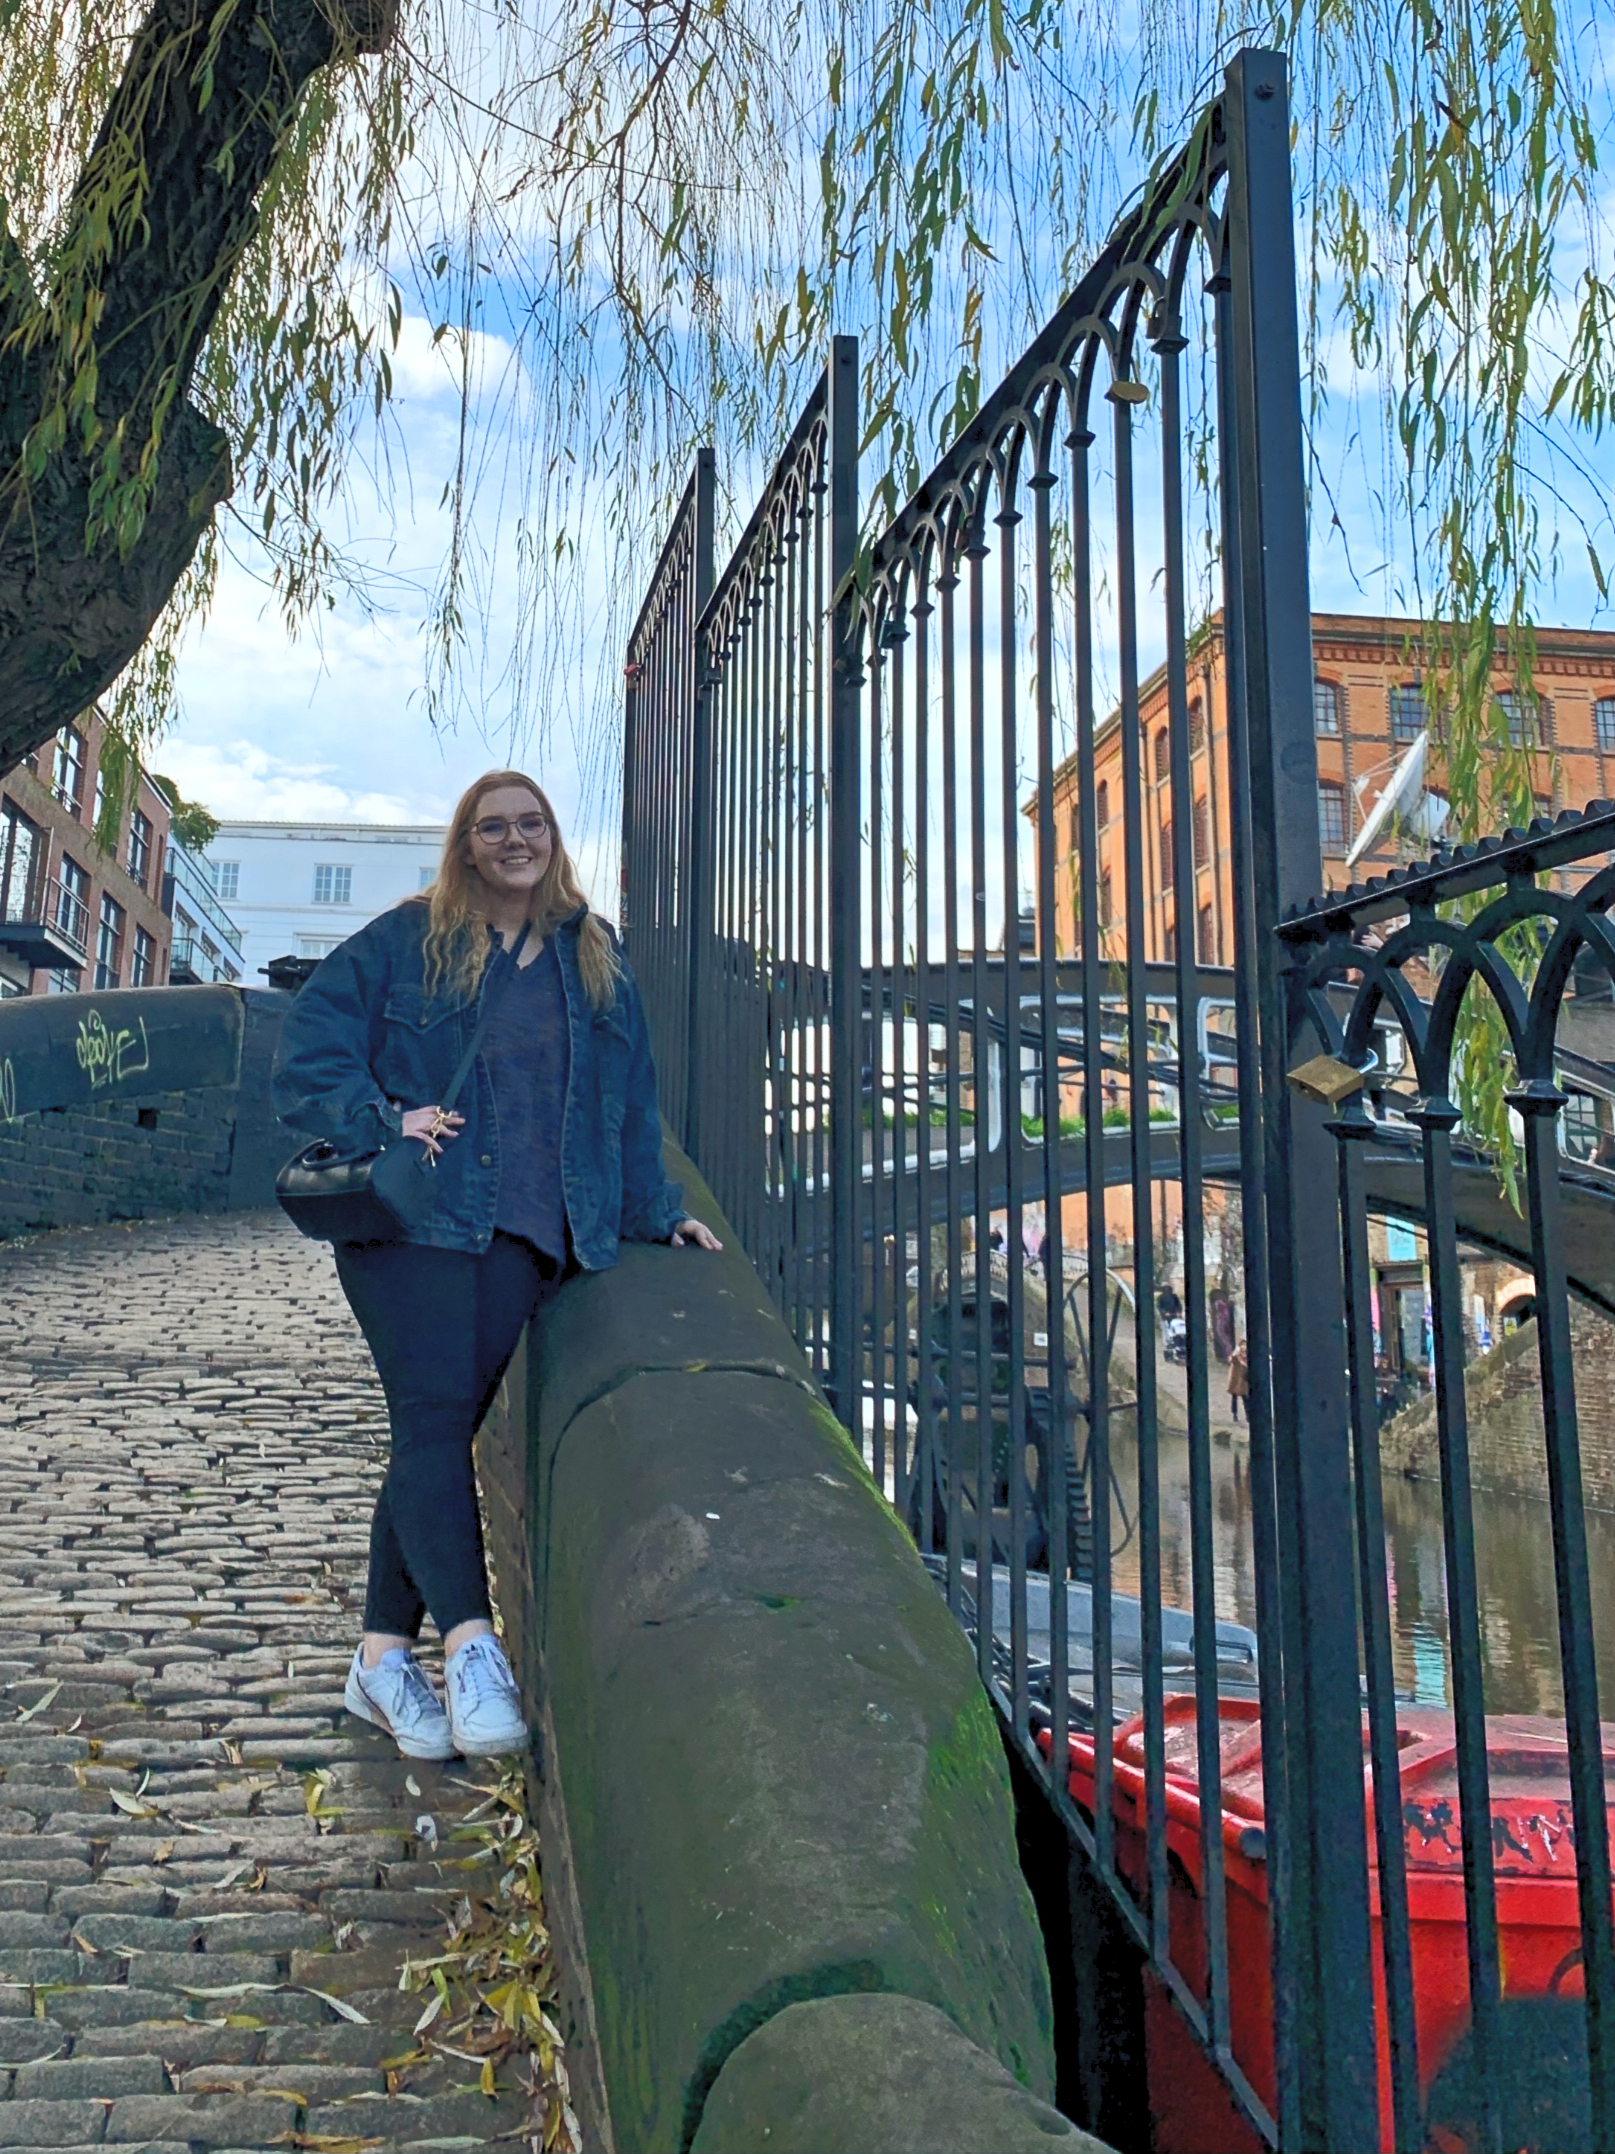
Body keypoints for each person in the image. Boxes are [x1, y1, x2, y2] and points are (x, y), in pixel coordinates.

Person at [271, 770, 722, 1762]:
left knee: (441, 1430)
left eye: (530, 824)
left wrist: (658, 1214)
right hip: (415, 1222)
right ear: (466, 846)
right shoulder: (410, 939)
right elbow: (309, 1041)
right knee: (432, 1419)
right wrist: (383, 1118)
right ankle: (473, 1647)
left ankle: (382, 1657)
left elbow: (628, 1105)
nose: (513, 840)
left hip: (529, 1235)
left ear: (553, 838)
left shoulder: (597, 963)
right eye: (492, 827)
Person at [1227, 1339, 1250, 1424]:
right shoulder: (1236, 1356)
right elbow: (1232, 1359)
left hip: (1242, 1379)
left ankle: (1247, 1416)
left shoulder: (1245, 1356)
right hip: (1236, 1379)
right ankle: (1235, 1414)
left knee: (1245, 1398)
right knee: (1235, 1397)